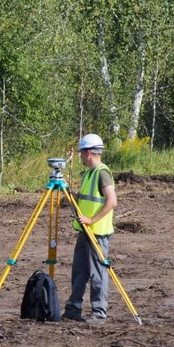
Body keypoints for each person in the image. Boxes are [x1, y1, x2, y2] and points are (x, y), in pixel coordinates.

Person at [62, 133, 117, 323]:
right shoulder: (89, 173)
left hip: (97, 232)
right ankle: (73, 308)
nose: (80, 157)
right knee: (79, 271)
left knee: (98, 273)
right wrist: (69, 194)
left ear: (87, 152)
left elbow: (112, 201)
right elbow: (85, 200)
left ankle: (99, 312)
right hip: (85, 231)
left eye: (81, 153)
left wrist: (92, 219)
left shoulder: (102, 172)